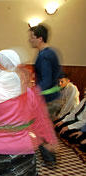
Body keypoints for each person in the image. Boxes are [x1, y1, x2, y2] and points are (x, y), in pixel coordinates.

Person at [29, 24, 61, 166]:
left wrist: (33, 93)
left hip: (48, 100)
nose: (29, 40)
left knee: (41, 129)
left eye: (32, 37)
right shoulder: (51, 52)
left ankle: (50, 159)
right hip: (53, 98)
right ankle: (49, 156)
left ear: (40, 38)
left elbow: (46, 80)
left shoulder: (44, 55)